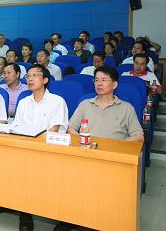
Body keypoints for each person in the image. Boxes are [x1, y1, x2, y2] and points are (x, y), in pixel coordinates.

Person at [54, 65, 144, 231]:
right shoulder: (85, 104)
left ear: (114, 85)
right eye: (96, 80)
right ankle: (70, 216)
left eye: (104, 80)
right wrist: (81, 141)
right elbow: (71, 127)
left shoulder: (126, 108)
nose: (99, 83)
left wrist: (117, 149)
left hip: (112, 159)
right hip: (85, 154)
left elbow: (138, 136)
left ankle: (102, 219)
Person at [12, 64, 68, 231]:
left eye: (35, 75)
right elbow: (16, 127)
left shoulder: (57, 101)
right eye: (28, 75)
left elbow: (54, 130)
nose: (30, 78)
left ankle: (62, 215)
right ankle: (25, 214)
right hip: (25, 149)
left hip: (50, 150)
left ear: (45, 80)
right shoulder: (23, 102)